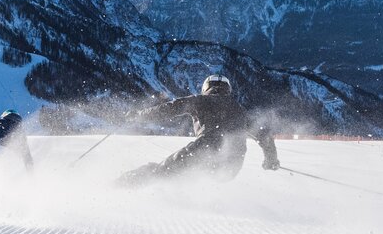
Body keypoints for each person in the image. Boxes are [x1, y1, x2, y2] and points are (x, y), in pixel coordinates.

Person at [119, 75, 279, 184]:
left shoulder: (199, 101)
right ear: (227, 90)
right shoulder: (240, 110)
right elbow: (264, 134)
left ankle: (121, 185)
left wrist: (138, 115)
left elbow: (168, 109)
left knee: (161, 172)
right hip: (232, 165)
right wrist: (271, 159)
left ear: (206, 88)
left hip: (205, 150)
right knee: (187, 177)